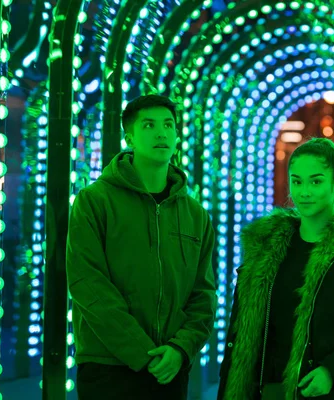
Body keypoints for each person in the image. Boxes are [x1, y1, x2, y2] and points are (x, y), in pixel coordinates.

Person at [218, 138, 334, 399]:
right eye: (297, 181)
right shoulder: (266, 247)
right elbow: (241, 328)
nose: (304, 192)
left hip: (329, 391)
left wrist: (332, 372)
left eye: (316, 181)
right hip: (267, 390)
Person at [66, 95, 216, 399]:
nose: (161, 133)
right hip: (108, 365)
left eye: (168, 125)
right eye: (149, 125)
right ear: (130, 137)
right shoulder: (95, 201)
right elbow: (87, 283)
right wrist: (141, 352)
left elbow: (203, 294)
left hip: (170, 368)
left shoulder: (195, 214)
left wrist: (180, 348)